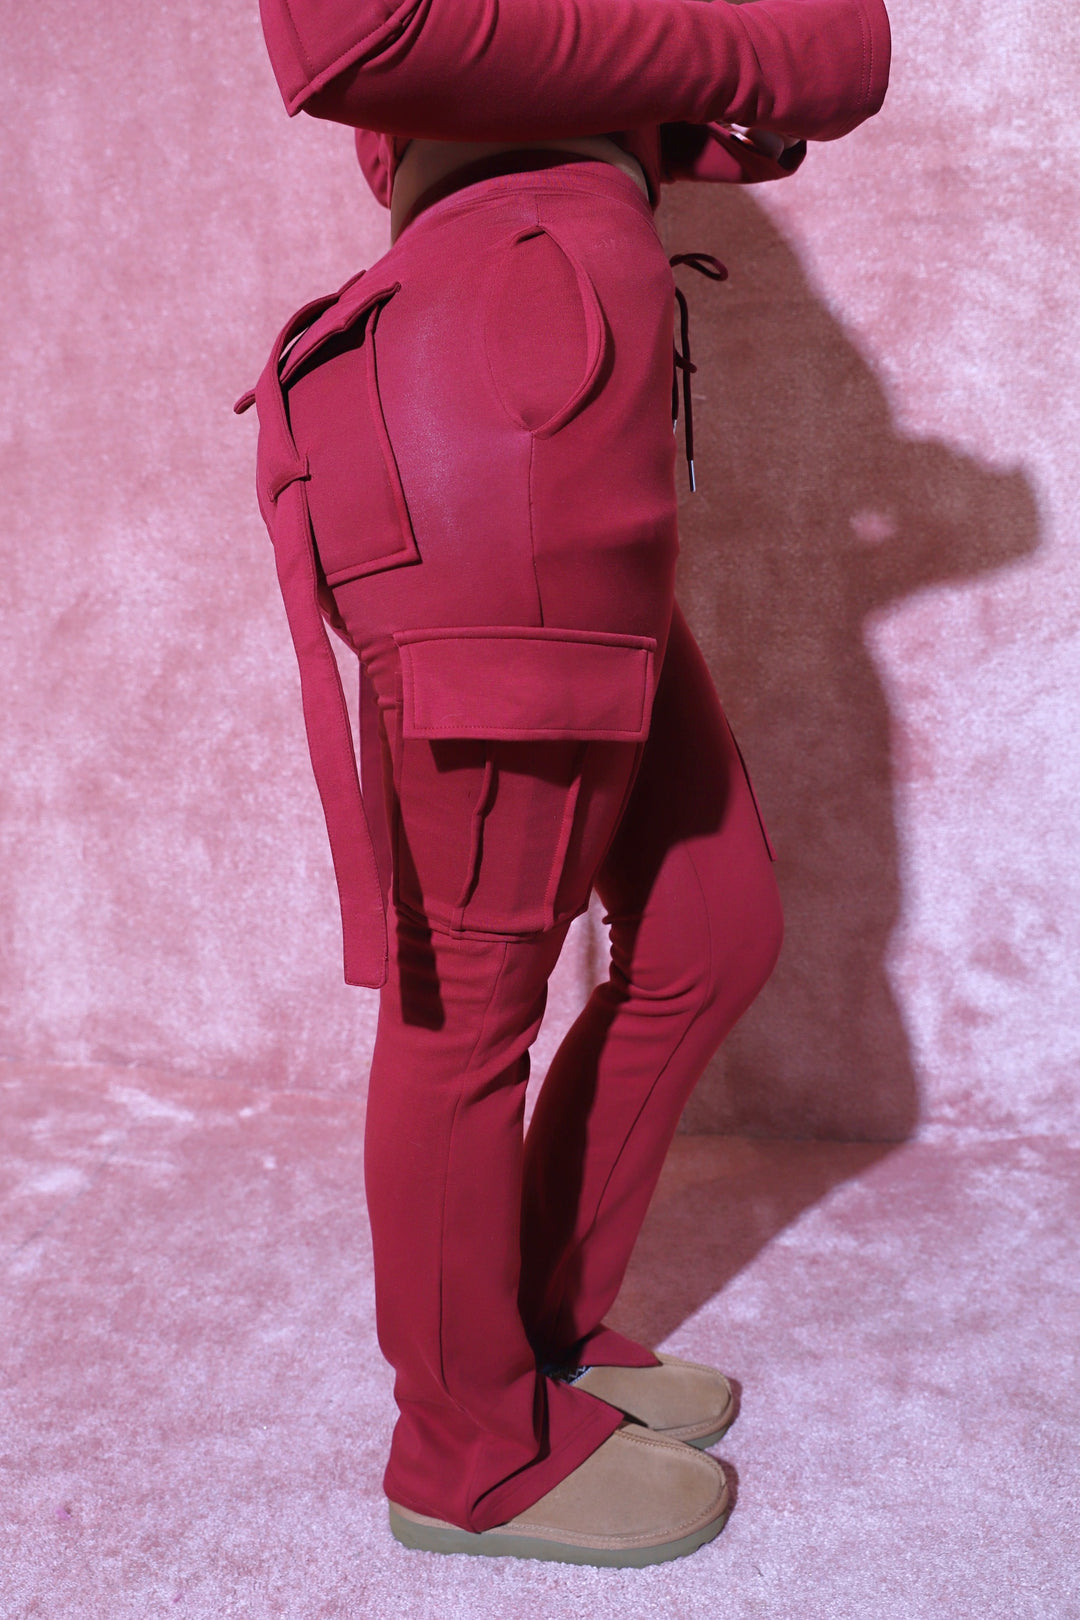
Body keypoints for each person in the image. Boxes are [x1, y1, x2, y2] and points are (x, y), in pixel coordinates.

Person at [238, 0, 890, 1567]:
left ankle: (533, 1340)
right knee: (470, 982)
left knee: (711, 929)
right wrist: (715, 47)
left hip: (570, 417)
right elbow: (354, 42)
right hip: (496, 412)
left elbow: (839, 58)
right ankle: (464, 1451)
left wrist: (680, 88)